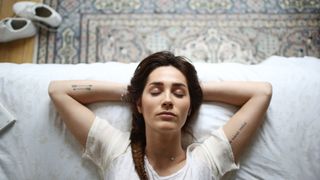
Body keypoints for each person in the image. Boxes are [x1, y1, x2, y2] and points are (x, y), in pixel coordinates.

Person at [48, 51, 272, 180]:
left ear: (190, 108)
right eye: (155, 92)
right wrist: (132, 91)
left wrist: (195, 92)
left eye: (178, 93)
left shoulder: (207, 161)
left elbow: (261, 93)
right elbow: (59, 91)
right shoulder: (116, 151)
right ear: (139, 104)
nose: (167, 100)